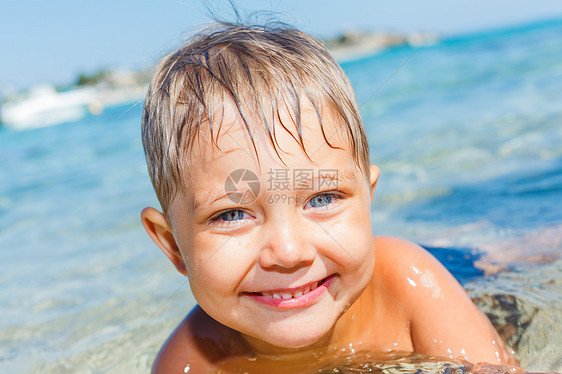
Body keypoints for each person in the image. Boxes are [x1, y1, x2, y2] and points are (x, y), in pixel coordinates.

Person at [140, 21, 519, 373]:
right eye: (232, 215)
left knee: (510, 260)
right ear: (173, 246)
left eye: (322, 199)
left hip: (460, 273)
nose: (289, 253)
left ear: (367, 201)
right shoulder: (190, 362)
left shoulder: (410, 284)